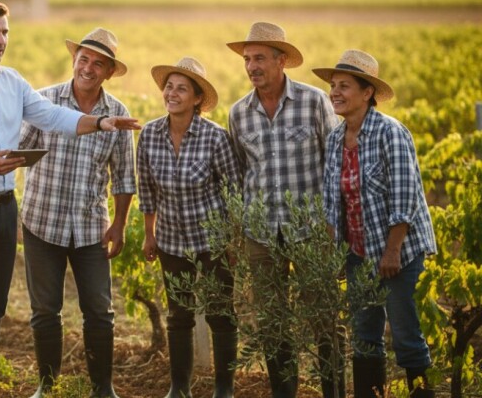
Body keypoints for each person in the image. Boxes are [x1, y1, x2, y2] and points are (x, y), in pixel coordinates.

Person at [0, 0, 140, 398]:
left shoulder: (14, 83)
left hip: (4, 212)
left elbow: (54, 117)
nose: (1, 39)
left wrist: (102, 122)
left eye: (5, 31)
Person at [18, 27, 136, 398]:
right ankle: (46, 386)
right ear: (74, 60)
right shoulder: (44, 102)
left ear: (109, 72)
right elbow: (18, 151)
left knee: (100, 312)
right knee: (45, 311)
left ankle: (103, 388)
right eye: (83, 59)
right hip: (42, 223)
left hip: (91, 228)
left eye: (98, 63)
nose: (88, 67)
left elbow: (124, 177)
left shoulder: (118, 114)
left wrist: (118, 225)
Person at [226, 22, 341, 398]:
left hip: (311, 230)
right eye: (247, 59)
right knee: (272, 323)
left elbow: (335, 162)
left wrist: (331, 224)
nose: (252, 66)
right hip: (261, 235)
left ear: (281, 60)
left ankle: (334, 393)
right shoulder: (238, 113)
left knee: (324, 320)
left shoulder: (314, 102)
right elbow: (242, 174)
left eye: (259, 58)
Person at [314, 50, 436, 398]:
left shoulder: (390, 133)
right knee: (365, 337)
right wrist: (335, 254)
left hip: (398, 253)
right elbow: (331, 202)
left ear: (367, 93)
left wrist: (391, 252)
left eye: (345, 86)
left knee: (405, 336)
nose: (335, 92)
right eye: (333, 86)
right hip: (358, 253)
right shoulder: (336, 138)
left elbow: (406, 197)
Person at [138, 57, 241, 398]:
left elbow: (234, 192)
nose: (172, 93)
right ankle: (179, 388)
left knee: (220, 314)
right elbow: (147, 191)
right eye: (169, 86)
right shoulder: (150, 134)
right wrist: (149, 235)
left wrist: (232, 242)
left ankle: (223, 389)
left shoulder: (215, 138)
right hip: (170, 241)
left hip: (212, 241)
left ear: (197, 99)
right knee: (179, 315)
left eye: (182, 88)